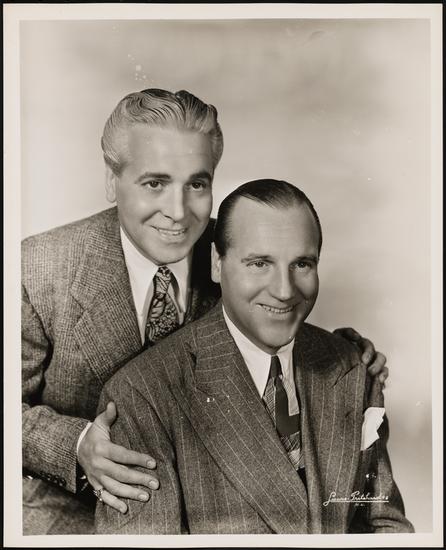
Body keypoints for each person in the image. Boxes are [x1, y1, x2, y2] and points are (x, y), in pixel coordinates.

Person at [22, 89, 387, 535]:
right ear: (111, 181)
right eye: (155, 183)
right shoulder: (38, 268)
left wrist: (343, 353)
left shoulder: (233, 249)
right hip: (66, 516)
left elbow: (278, 304)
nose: (178, 213)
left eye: (196, 184)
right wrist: (76, 446)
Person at [95, 179, 413, 534]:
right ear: (217, 264)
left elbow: (384, 526)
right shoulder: (142, 395)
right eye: (260, 263)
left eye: (302, 264)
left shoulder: (354, 368)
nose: (284, 291)